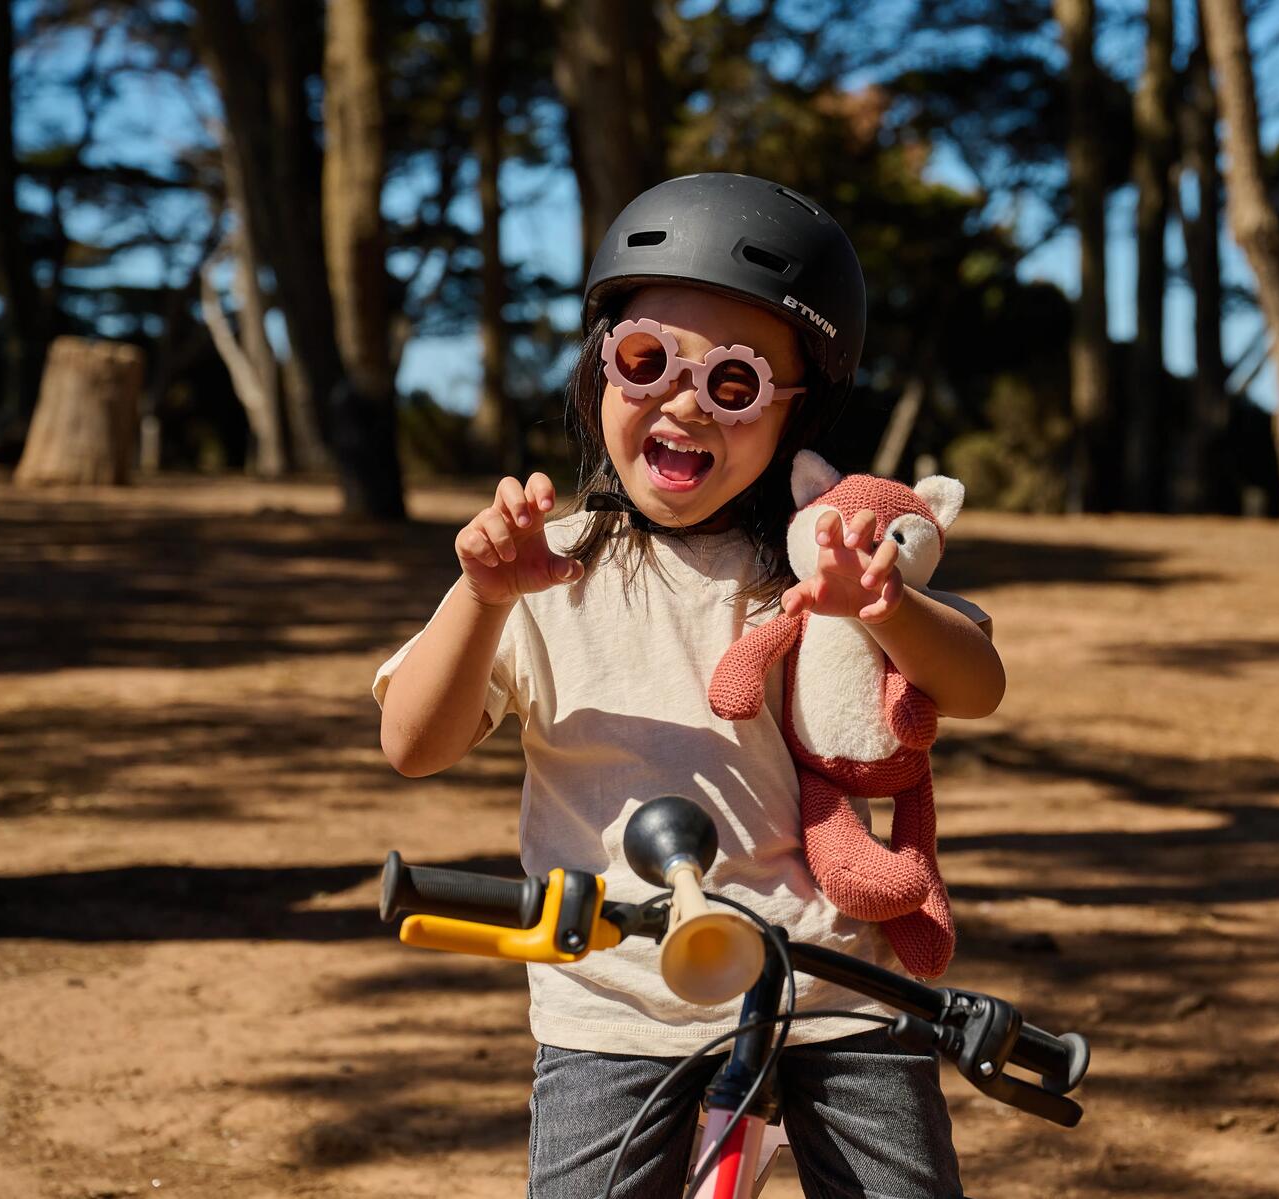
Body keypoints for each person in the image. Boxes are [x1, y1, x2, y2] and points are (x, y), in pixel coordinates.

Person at [374, 172, 1004, 1198]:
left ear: (799, 410)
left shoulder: (827, 559)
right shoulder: (548, 566)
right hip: (618, 1003)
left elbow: (975, 683)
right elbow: (413, 742)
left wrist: (884, 605)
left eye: (735, 382)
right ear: (597, 370)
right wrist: (484, 595)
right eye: (645, 360)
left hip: (830, 987)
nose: (679, 400)